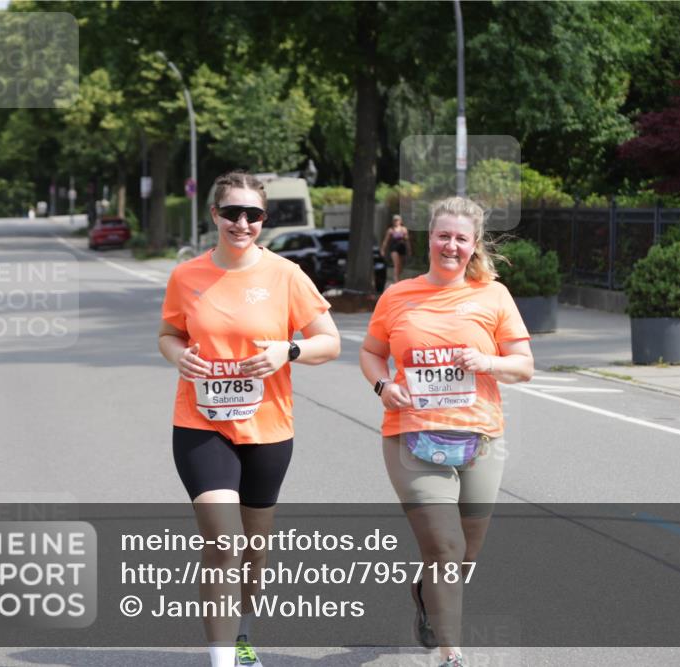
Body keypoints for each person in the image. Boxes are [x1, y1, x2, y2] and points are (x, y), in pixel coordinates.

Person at [158, 171, 340, 667]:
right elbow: (168, 334)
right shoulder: (186, 276)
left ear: (263, 219)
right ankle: (222, 660)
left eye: (253, 214)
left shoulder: (286, 274)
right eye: (232, 213)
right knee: (223, 542)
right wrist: (179, 357)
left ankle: (242, 634)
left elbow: (330, 342)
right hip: (201, 424)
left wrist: (289, 350)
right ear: (214, 214)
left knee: (254, 550)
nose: (242, 223)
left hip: (268, 428)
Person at [360, 197, 534, 667]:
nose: (451, 246)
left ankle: (425, 592)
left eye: (460, 238)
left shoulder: (493, 296)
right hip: (410, 437)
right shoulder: (398, 295)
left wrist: (487, 362)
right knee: (445, 546)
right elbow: (372, 352)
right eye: (443, 236)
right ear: (429, 239)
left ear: (473, 244)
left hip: (480, 438)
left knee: (467, 552)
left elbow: (523, 365)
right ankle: (450, 652)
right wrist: (383, 386)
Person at [380, 214, 410, 285]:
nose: (396, 222)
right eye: (395, 220)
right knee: (396, 264)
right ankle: (396, 282)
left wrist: (409, 249)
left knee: (401, 266)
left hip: (402, 247)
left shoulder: (404, 229)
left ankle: (397, 277)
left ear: (400, 221)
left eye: (397, 220)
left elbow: (407, 241)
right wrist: (382, 250)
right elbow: (385, 241)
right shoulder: (390, 230)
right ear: (393, 221)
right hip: (394, 248)